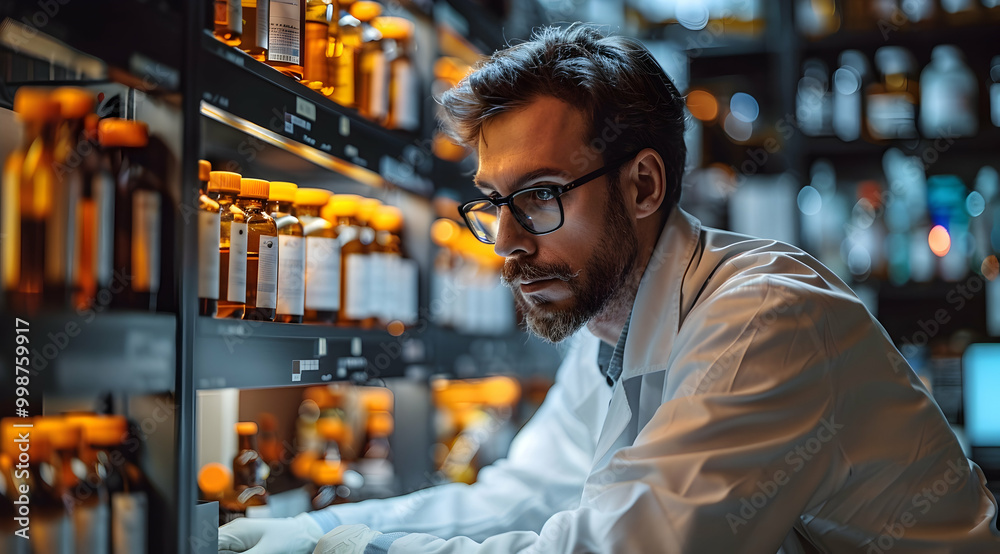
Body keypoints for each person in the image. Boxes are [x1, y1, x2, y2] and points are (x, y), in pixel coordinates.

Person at [218, 24, 1000, 554]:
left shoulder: (763, 321)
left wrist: (353, 551)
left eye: (540, 196)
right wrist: (320, 533)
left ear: (644, 185)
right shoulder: (607, 329)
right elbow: (520, 497)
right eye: (493, 204)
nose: (507, 241)